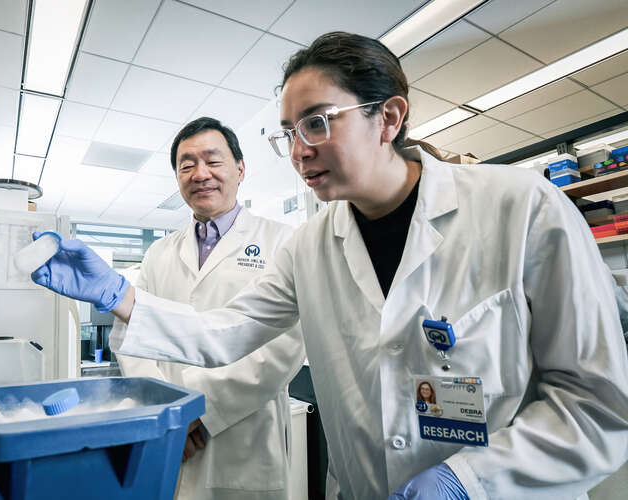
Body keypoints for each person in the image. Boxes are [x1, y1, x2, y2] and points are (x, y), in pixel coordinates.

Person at [32, 32, 628, 499]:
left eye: (317, 122)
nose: (298, 151)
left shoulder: (521, 208)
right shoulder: (311, 245)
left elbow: (597, 404)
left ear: (388, 118)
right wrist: (118, 294)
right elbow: (227, 331)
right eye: (289, 132)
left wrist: (467, 481)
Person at [113, 117, 305, 500]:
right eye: (186, 165)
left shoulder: (283, 241)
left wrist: (196, 413)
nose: (200, 174)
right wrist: (169, 414)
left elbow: (284, 346)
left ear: (240, 169)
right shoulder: (158, 252)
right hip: (169, 433)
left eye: (213, 161)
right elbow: (131, 336)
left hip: (244, 434)